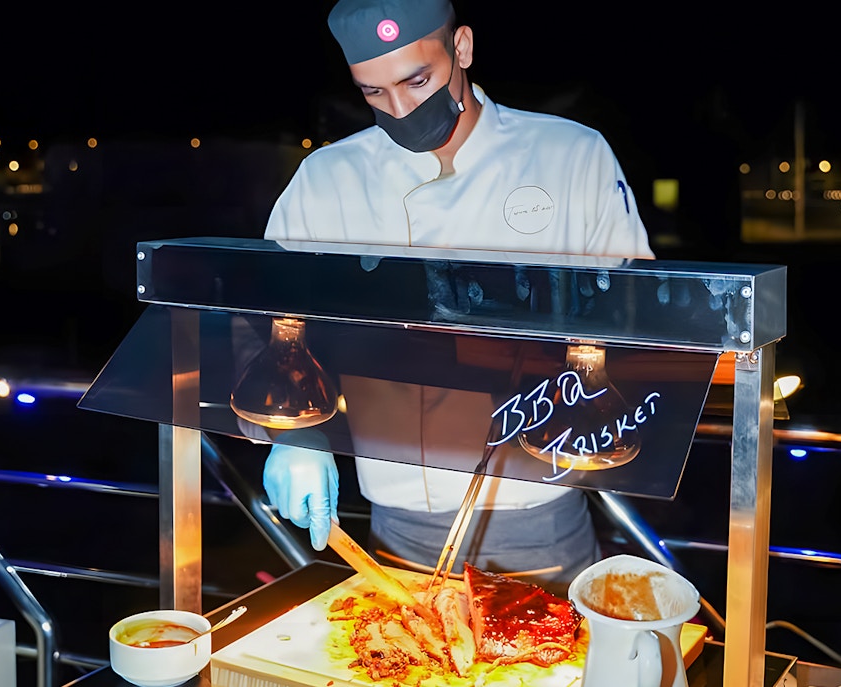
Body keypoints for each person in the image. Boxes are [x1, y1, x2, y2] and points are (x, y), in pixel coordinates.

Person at [260, 0, 655, 593]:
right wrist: (295, 432)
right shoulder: (327, 177)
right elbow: (270, 318)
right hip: (394, 517)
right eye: (373, 92)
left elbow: (635, 314)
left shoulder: (570, 155)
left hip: (535, 510)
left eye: (417, 81)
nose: (400, 109)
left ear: (461, 48)